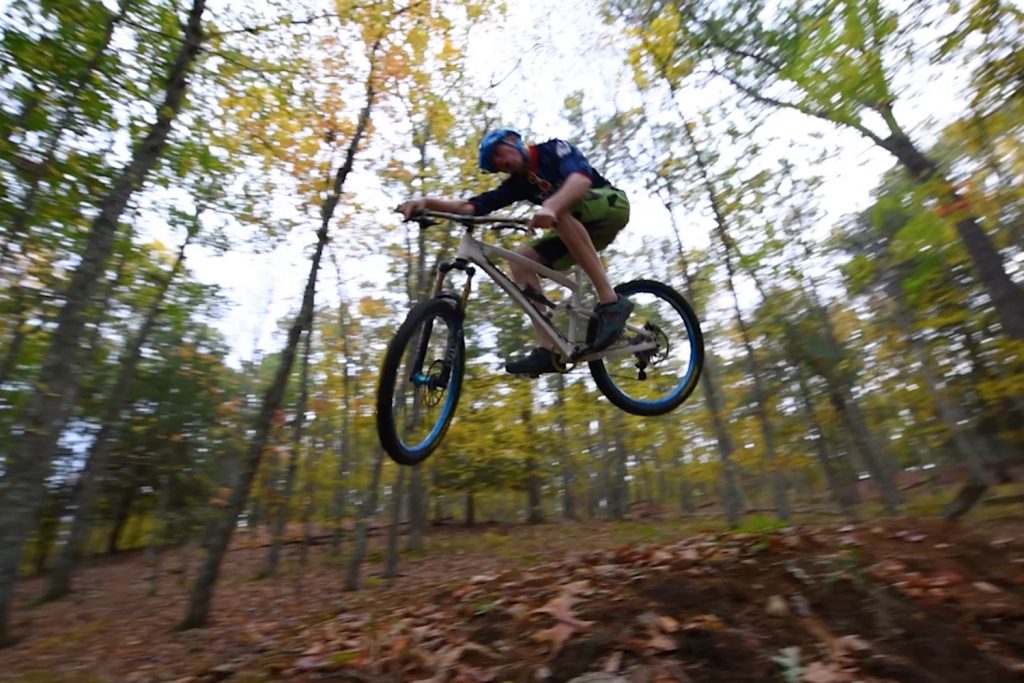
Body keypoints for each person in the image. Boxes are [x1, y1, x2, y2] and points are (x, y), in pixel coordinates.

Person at [398, 128, 632, 376]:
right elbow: (471, 207)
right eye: (496, 164)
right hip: (573, 228)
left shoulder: (553, 150)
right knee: (521, 259)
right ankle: (549, 347)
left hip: (610, 206)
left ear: (513, 140)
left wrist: (551, 206)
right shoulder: (519, 184)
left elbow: (581, 179)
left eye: (500, 154)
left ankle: (611, 301)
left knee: (559, 210)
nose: (502, 163)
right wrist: (425, 203)